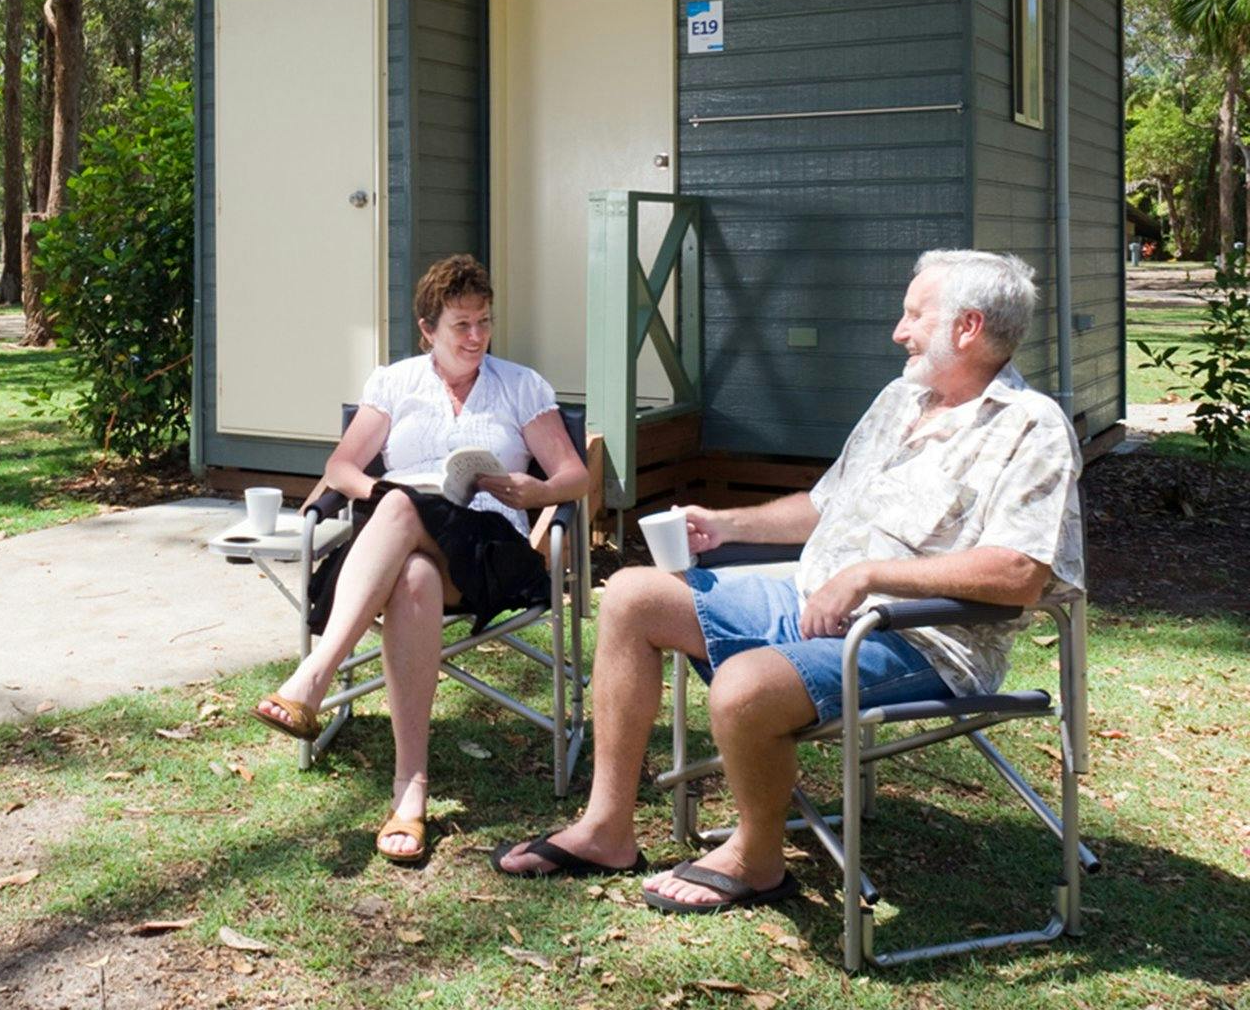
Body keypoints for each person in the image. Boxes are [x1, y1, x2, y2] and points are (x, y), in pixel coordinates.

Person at [493, 249, 1084, 913]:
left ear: (968, 327)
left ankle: (757, 857)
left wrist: (869, 576)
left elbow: (1020, 571)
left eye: (915, 315)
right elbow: (827, 504)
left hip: (922, 641)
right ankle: (607, 828)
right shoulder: (900, 400)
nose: (899, 331)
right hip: (809, 599)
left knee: (746, 688)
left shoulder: (1031, 428)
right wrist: (725, 524)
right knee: (632, 595)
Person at [250, 254, 590, 865]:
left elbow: (574, 476)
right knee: (411, 570)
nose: (477, 336)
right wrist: (380, 494)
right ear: (427, 329)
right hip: (401, 554)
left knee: (403, 509)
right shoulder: (394, 383)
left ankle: (314, 677)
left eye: (484, 321)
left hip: (488, 552)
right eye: (461, 325)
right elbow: (341, 468)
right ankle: (410, 790)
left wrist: (537, 491)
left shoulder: (521, 386)